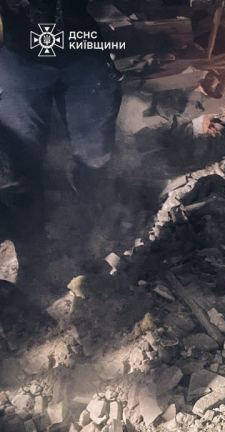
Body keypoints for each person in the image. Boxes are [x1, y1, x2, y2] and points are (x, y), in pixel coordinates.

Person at [0, 0, 122, 248]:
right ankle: (31, 243)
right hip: (17, 55)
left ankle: (95, 223)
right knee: (19, 158)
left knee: (95, 151)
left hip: (81, 51)